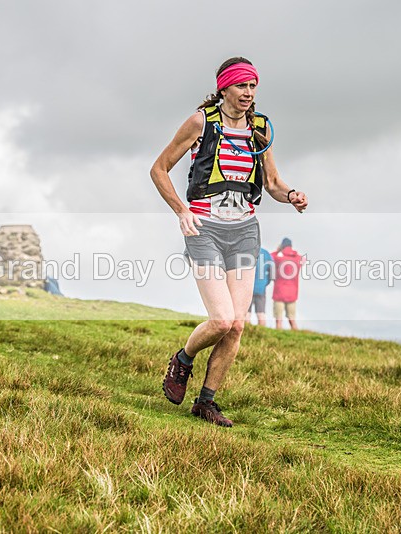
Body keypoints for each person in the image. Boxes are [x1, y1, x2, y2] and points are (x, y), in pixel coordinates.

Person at [150, 56, 308, 427]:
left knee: (237, 325)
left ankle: (206, 402)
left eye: (253, 87)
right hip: (204, 227)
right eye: (241, 86)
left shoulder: (261, 128)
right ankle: (183, 359)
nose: (248, 94)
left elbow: (271, 184)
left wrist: (293, 194)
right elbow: (159, 169)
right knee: (221, 320)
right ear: (225, 88)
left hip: (244, 230)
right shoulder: (200, 122)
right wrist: (180, 210)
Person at [272, 237, 305, 330]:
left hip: (279, 292)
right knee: (292, 319)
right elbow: (303, 259)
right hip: (292, 293)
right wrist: (293, 252)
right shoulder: (297, 259)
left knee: (278, 320)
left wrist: (277, 250)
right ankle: (297, 337)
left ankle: (278, 338)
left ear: (282, 246)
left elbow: (270, 257)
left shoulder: (279, 258)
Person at [249, 247, 274, 326]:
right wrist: (266, 282)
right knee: (261, 313)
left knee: (246, 313)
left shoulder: (248, 251)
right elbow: (272, 271)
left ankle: (246, 334)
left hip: (248, 288)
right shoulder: (266, 254)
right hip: (261, 288)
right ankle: (262, 333)